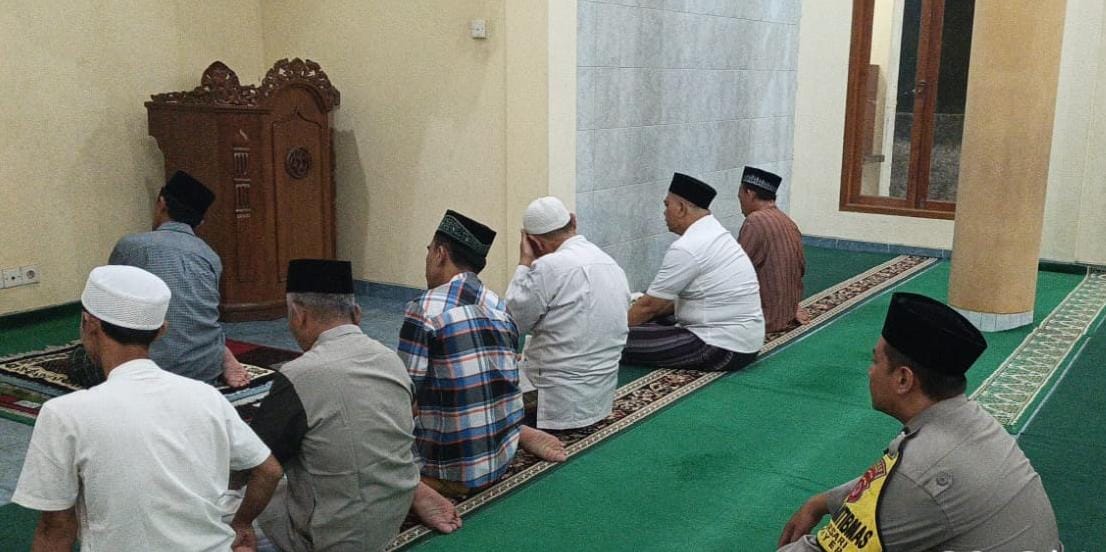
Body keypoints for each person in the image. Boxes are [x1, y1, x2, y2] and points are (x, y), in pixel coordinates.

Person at [12, 265, 282, 551]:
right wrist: (241, 523)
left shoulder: (64, 414)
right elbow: (269, 471)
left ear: (90, 324)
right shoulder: (207, 396)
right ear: (161, 330)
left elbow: (55, 529)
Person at [777, 293, 1061, 552]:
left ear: (903, 379)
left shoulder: (922, 468)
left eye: (875, 362)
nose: (869, 371)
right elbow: (885, 485)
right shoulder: (970, 419)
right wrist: (823, 502)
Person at [398, 209, 567, 533]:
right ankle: (516, 433)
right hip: (500, 457)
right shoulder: (499, 305)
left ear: (440, 254)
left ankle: (417, 486)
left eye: (429, 251)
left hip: (449, 466)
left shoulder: (424, 310)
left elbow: (403, 397)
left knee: (364, 429)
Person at [250, 259, 419, 551]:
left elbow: (260, 465)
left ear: (298, 315)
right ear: (357, 314)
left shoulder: (298, 375)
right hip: (391, 519)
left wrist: (241, 521)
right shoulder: (391, 359)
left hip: (332, 538)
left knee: (226, 499)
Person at [107, 170, 250, 388]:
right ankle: (221, 353)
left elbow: (109, 304)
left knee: (84, 354)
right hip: (205, 368)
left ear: (162, 203)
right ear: (200, 222)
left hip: (148, 369)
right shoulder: (210, 257)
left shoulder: (131, 246)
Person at [506, 196, 631, 431]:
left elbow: (510, 324)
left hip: (556, 404)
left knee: (480, 370)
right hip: (600, 398)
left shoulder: (548, 267)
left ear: (534, 243)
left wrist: (524, 263)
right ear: (573, 221)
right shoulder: (610, 264)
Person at [623, 173, 765, 371]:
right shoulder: (715, 232)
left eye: (667, 205)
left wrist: (609, 330)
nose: (664, 213)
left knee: (608, 340)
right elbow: (664, 303)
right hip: (748, 341)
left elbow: (649, 307)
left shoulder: (688, 247)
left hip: (720, 348)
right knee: (649, 317)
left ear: (681, 208)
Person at [736, 166, 808, 333]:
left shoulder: (755, 221)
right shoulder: (787, 221)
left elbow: (735, 271)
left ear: (749, 193)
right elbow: (801, 268)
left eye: (740, 197)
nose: (740, 205)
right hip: (787, 312)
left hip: (765, 318)